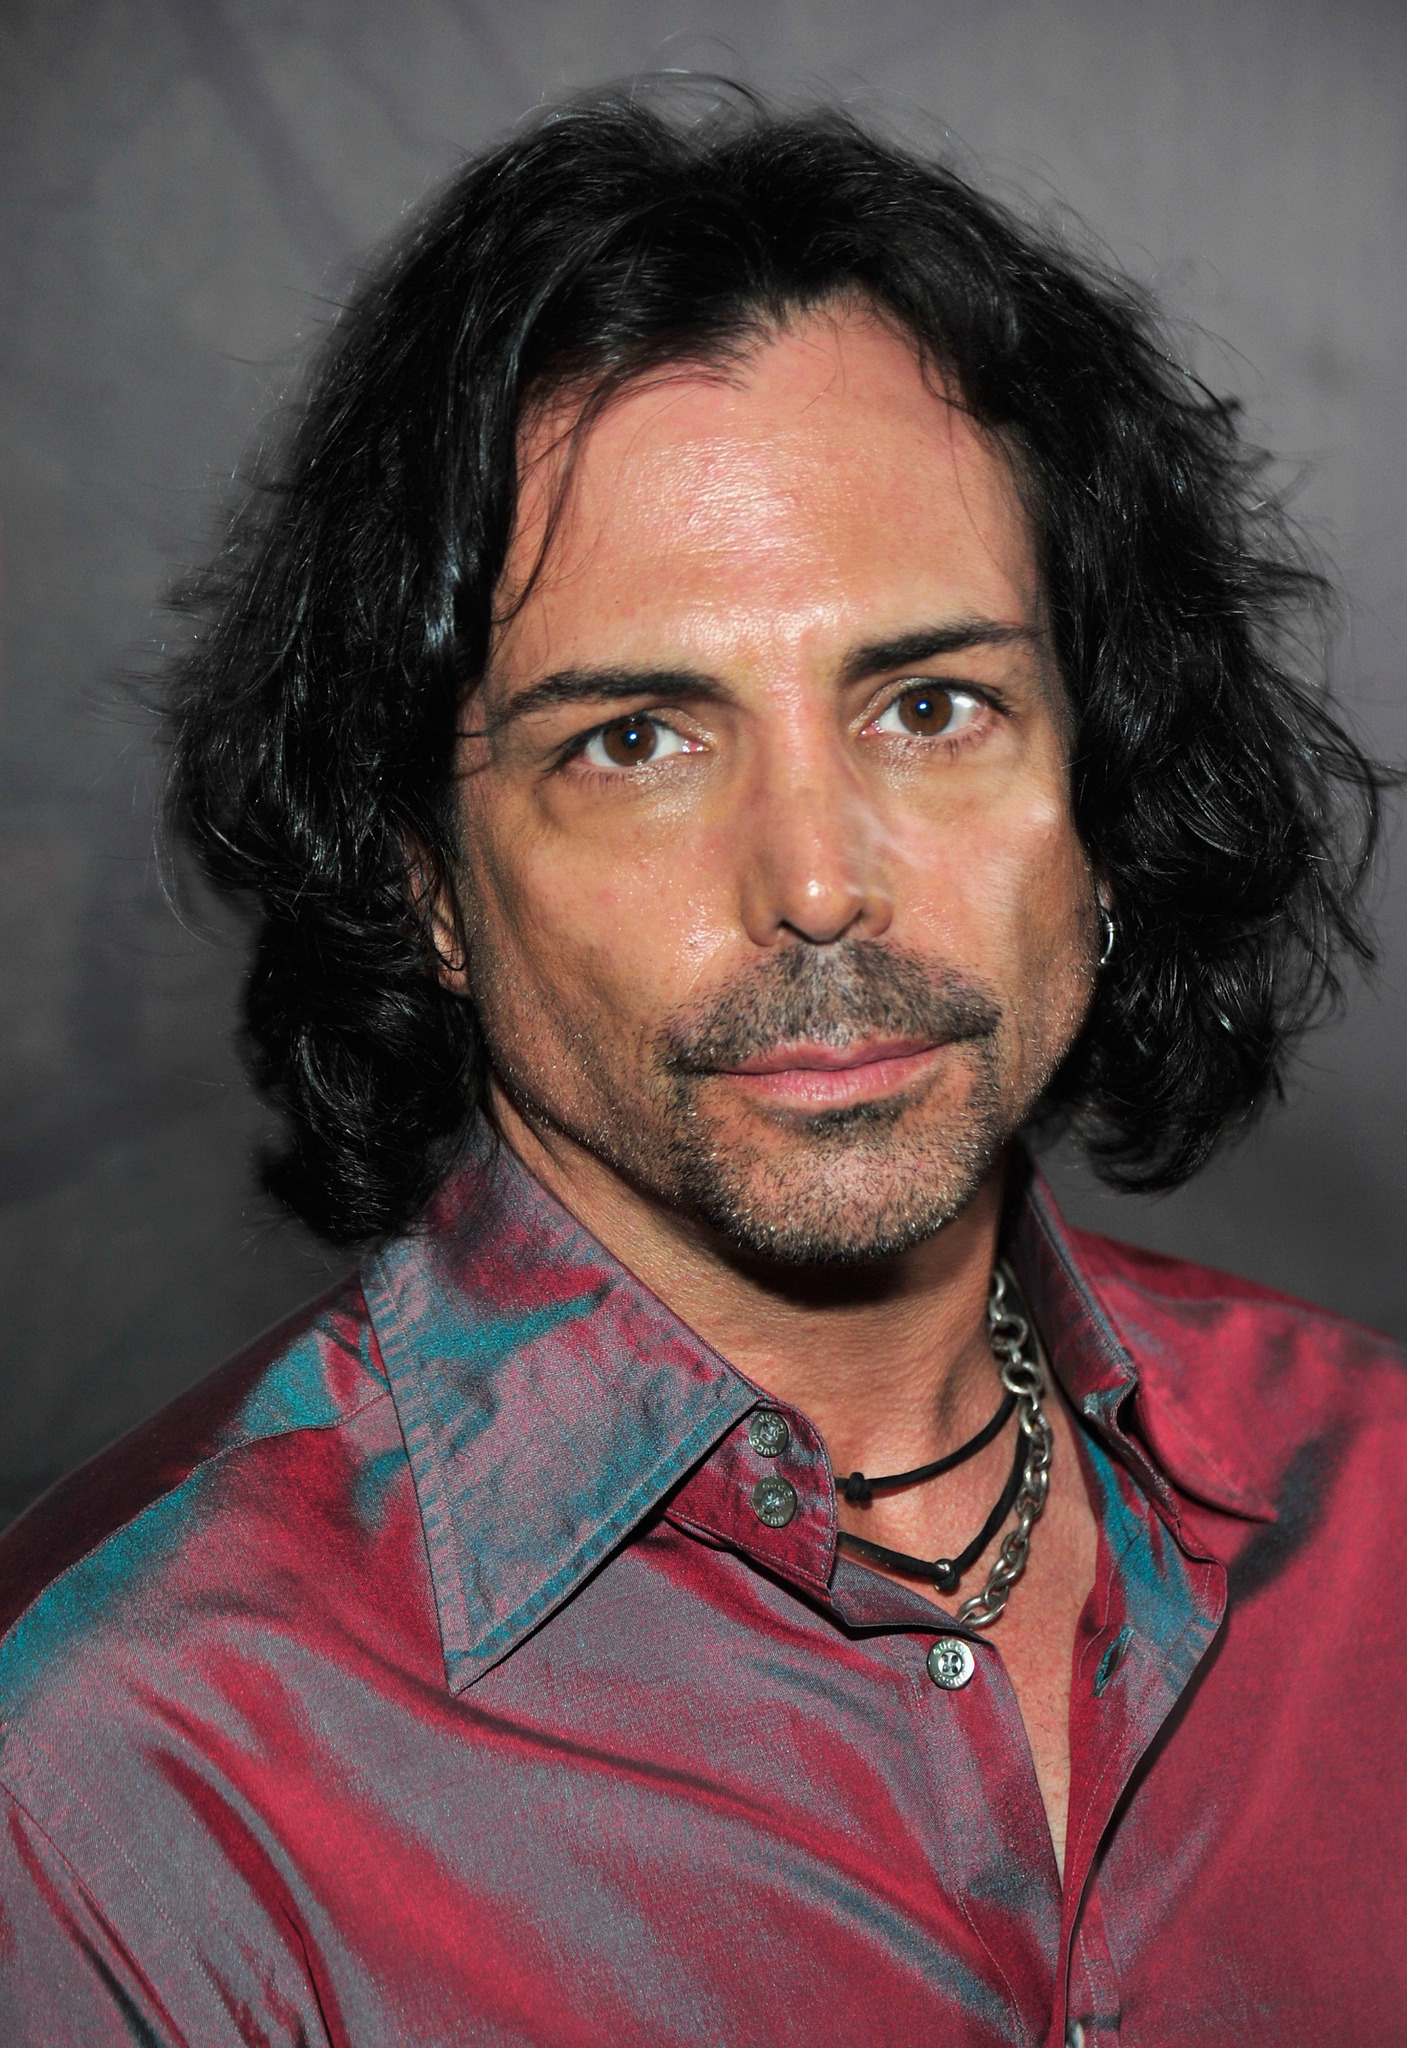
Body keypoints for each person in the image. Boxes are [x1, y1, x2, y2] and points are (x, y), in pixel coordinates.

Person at [0, 84, 1400, 2048]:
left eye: (930, 706)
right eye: (637, 742)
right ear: (426, 884)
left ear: (1102, 789)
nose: (816, 882)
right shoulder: (102, 1774)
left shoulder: (1380, 1499)